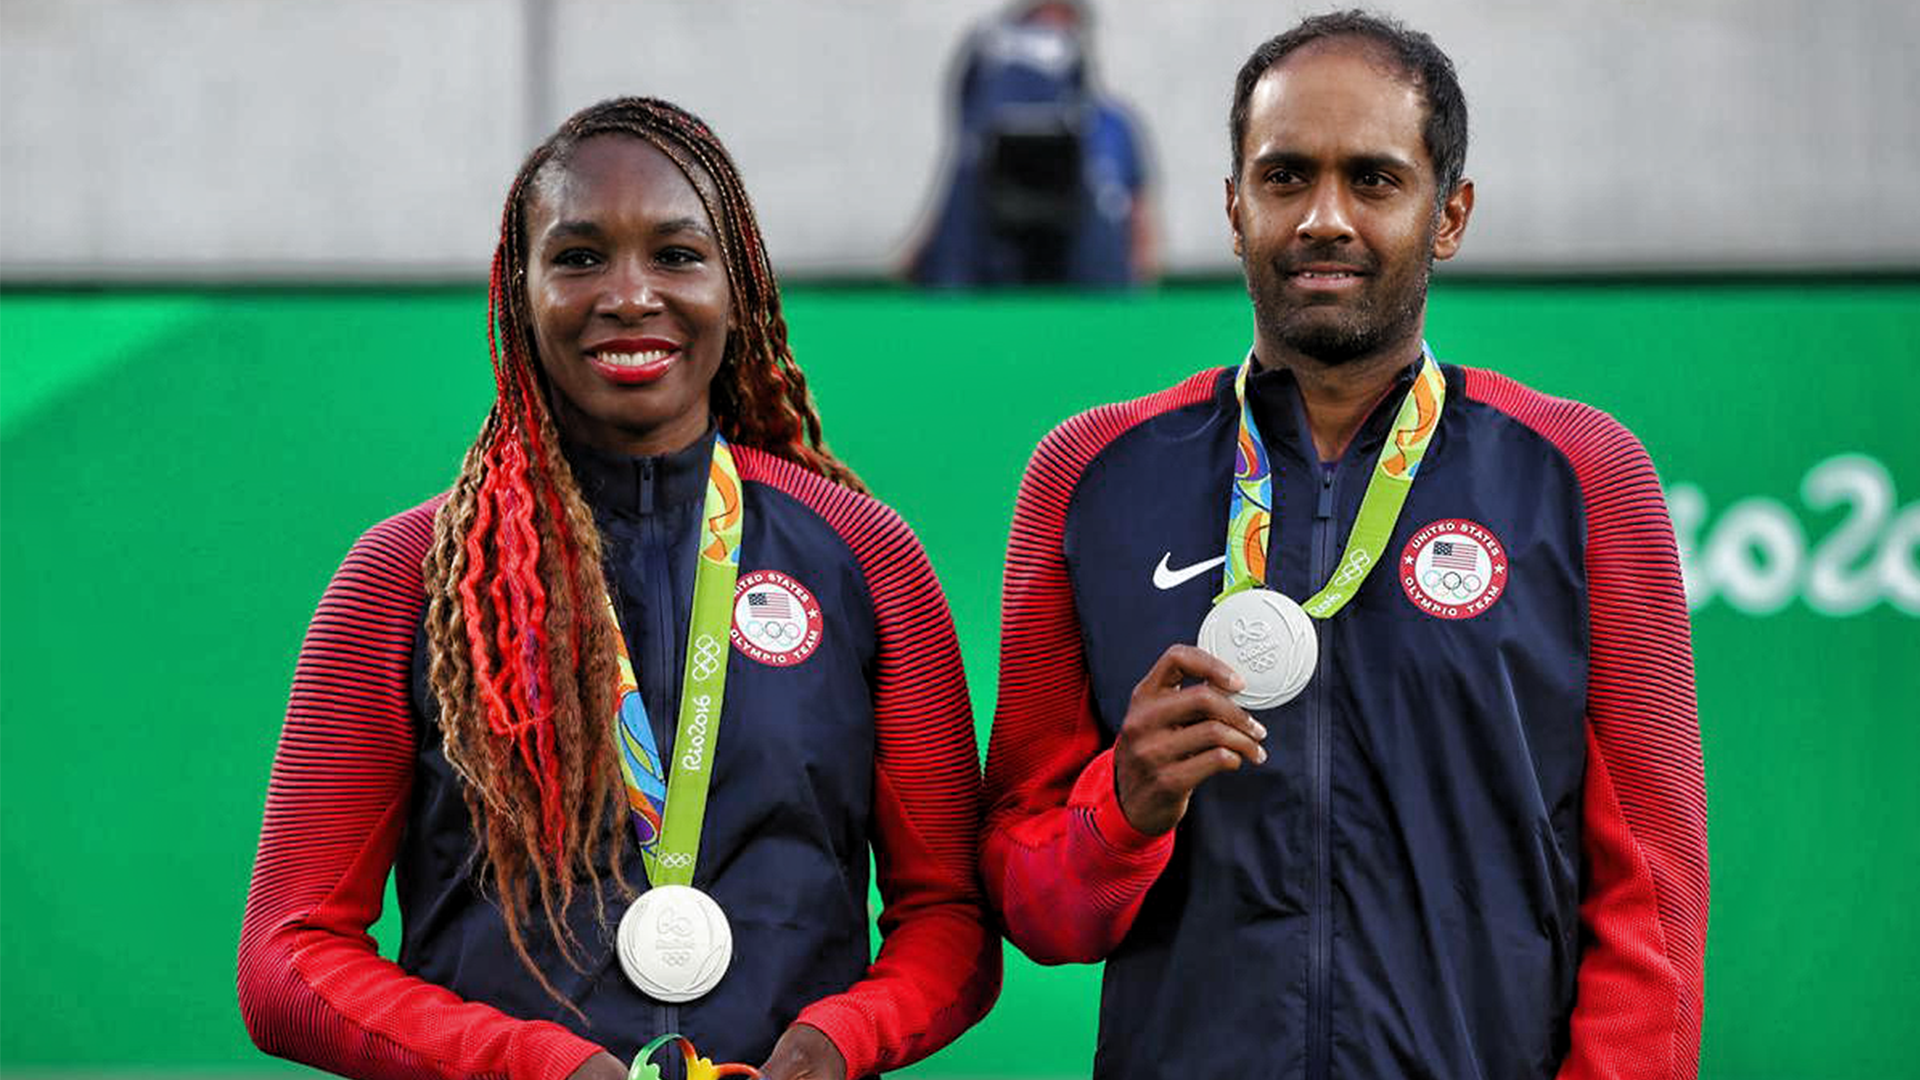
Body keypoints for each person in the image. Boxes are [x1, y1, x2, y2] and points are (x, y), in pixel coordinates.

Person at [980, 11, 1707, 1078]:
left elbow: (1652, 901)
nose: (1324, 218)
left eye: (1373, 179)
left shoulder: (1582, 471)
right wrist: (1122, 810)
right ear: (1234, 209)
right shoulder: (1090, 475)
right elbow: (1028, 895)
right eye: (1284, 179)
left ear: (1448, 213)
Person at [238, 97, 999, 1080]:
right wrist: (538, 1069)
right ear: (521, 290)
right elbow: (289, 956)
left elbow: (951, 920)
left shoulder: (864, 554)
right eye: (579, 256)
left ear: (740, 289)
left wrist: (837, 1044)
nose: (630, 296)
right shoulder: (404, 575)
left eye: (677, 255)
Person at [907, 0, 1156, 287]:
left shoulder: (1113, 127)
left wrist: (1139, 275)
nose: (1046, 38)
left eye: (1057, 28)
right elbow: (960, 181)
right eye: (1035, 27)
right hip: (996, 274)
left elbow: (1141, 222)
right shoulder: (988, 114)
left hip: (1085, 282)